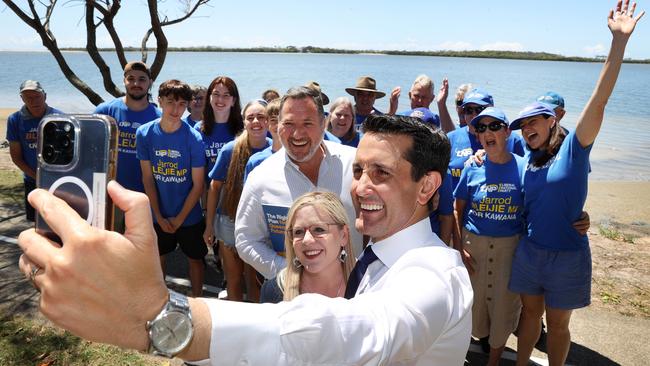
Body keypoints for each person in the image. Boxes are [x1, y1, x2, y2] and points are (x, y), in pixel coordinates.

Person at [18, 113, 472, 365]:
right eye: (358, 170)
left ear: (428, 186)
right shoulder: (372, 258)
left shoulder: (435, 272)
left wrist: (162, 316)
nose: (361, 187)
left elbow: (362, 335)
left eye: (382, 174)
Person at [508, 4, 644, 365]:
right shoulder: (525, 152)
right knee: (528, 318)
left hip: (567, 256)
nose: (526, 129)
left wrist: (618, 43)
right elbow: (487, 145)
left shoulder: (574, 149)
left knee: (558, 324)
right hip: (530, 251)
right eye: (522, 125)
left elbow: (600, 99)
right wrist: (476, 155)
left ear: (553, 121)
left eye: (533, 122)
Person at [235, 87, 362, 280]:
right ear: (277, 125)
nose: (297, 133)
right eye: (289, 123)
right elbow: (247, 240)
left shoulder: (355, 165)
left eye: (307, 123)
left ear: (323, 123)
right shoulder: (260, 178)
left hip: (355, 288)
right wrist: (289, 275)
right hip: (291, 295)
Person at [453, 107, 525, 365]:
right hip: (475, 249)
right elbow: (457, 208)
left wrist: (576, 215)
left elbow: (540, 202)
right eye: (481, 128)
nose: (487, 132)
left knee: (504, 309)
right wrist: (460, 246)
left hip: (509, 250)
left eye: (494, 126)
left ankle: (493, 362)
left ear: (507, 131)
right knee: (472, 309)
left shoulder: (523, 167)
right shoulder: (473, 166)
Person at [136, 79, 206, 297]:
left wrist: (179, 218)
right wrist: (158, 214)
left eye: (182, 104)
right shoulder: (144, 134)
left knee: (195, 259)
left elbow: (198, 185)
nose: (176, 110)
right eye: (170, 103)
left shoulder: (193, 138)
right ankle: (159, 299)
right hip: (159, 214)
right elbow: (148, 178)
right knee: (158, 257)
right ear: (159, 101)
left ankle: (198, 301)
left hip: (189, 216)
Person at [203, 100, 271, 302]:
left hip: (259, 224)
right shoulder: (230, 150)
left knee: (254, 280)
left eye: (261, 117)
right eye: (251, 117)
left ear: (269, 121)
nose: (256, 121)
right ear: (244, 122)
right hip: (228, 221)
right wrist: (209, 226)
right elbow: (214, 187)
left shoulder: (274, 150)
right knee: (234, 280)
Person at [94, 61, 161, 232]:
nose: (136, 84)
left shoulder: (158, 118)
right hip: (111, 193)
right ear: (124, 81)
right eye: (131, 79)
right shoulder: (105, 111)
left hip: (144, 196)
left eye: (142, 79)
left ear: (150, 83)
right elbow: (90, 147)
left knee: (141, 246)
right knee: (109, 242)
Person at [260, 191, 356, 303]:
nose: (307, 240)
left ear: (343, 235)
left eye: (319, 229)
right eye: (298, 232)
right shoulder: (274, 292)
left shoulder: (368, 284)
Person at [6, 80, 62, 222]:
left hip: (57, 179)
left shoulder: (60, 117)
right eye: (28, 97)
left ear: (45, 96)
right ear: (22, 99)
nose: (33, 101)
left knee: (58, 219)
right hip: (32, 180)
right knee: (36, 222)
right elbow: (16, 157)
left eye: (37, 96)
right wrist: (36, 177)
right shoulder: (15, 120)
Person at [194, 76, 243, 187]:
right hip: (208, 191)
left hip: (236, 192)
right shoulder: (198, 129)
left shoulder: (243, 129)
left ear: (233, 100)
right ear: (209, 98)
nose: (220, 100)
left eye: (226, 95)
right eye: (216, 94)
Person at [243, 98, 282, 180]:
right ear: (267, 124)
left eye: (283, 120)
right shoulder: (256, 161)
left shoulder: (300, 158)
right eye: (274, 120)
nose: (278, 125)